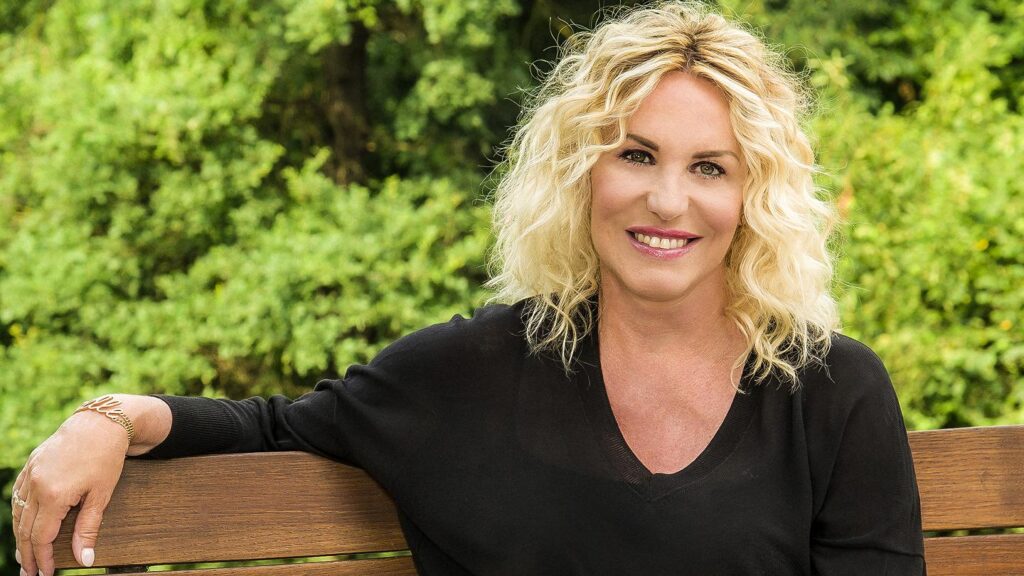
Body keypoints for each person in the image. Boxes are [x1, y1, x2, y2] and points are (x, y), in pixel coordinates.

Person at [10, 2, 925, 575]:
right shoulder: (470, 373)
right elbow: (274, 426)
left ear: (754, 196)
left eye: (710, 167)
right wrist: (109, 418)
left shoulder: (831, 392)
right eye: (636, 155)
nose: (667, 200)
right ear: (581, 173)